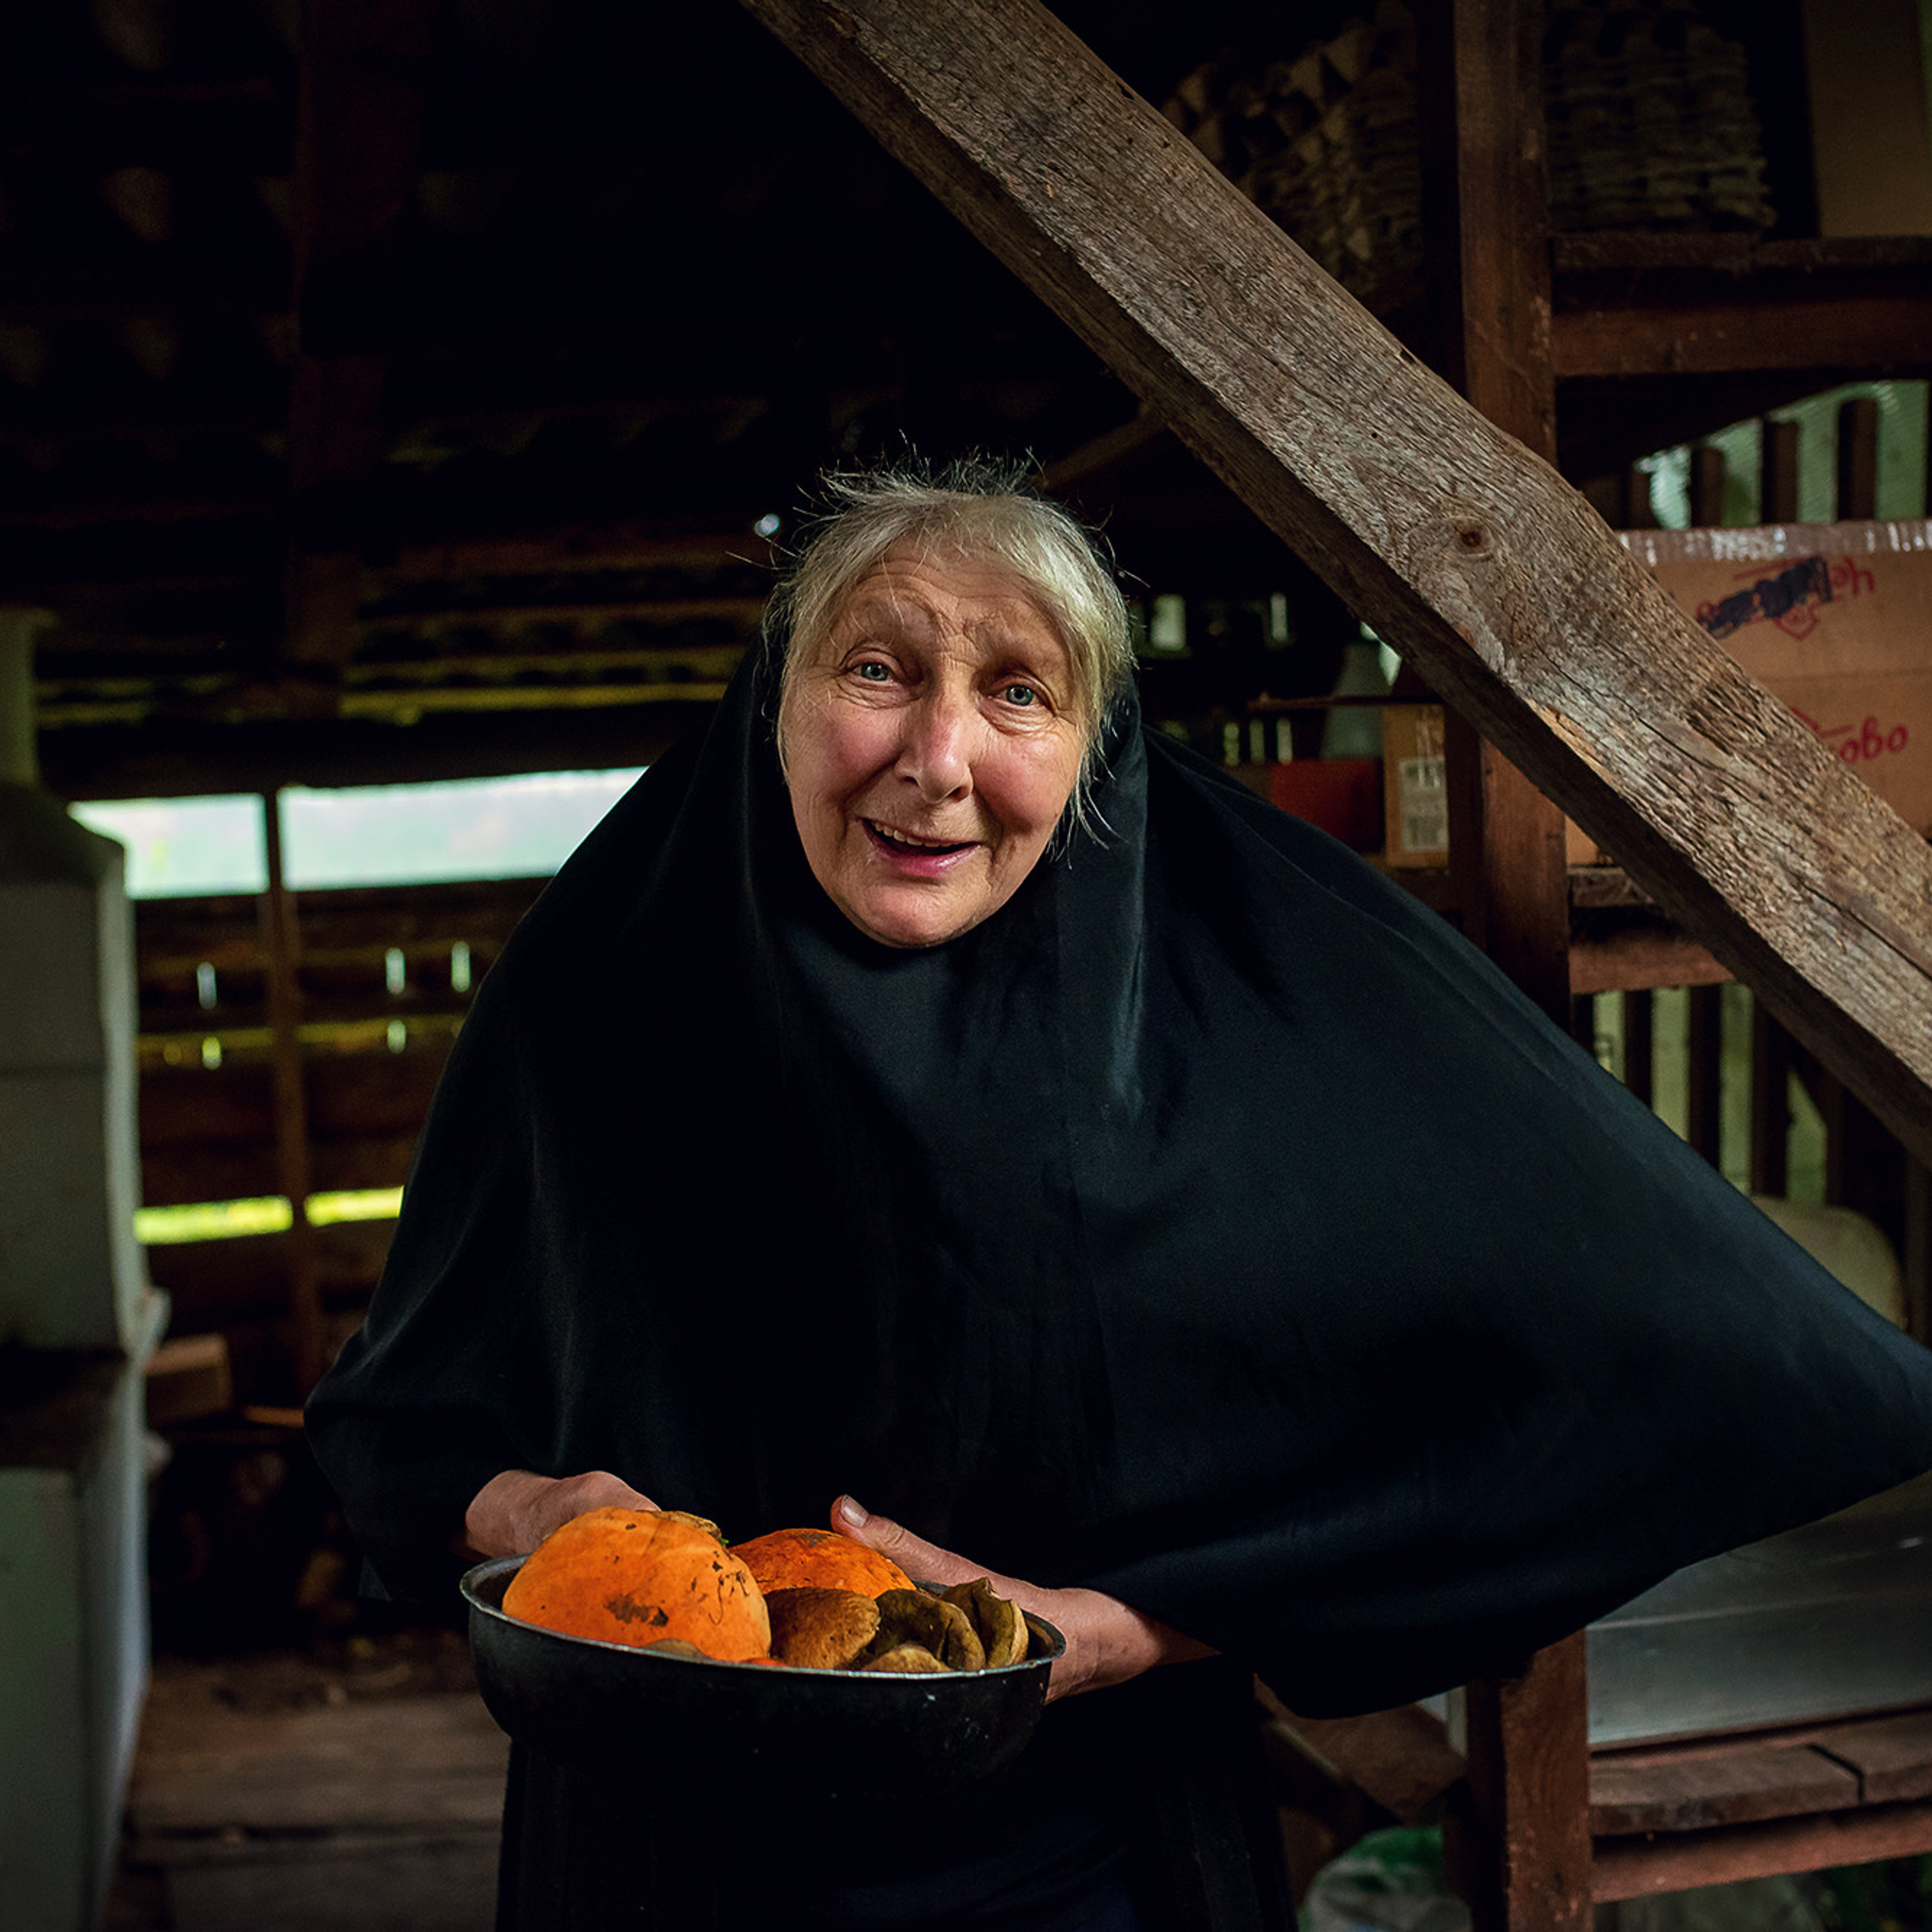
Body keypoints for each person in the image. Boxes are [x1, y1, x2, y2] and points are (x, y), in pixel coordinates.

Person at [307, 459, 1932, 1930]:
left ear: (1094, 749)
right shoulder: (598, 988)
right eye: (874, 669)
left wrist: (1130, 1626)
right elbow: (398, 1430)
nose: (936, 759)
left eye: (1017, 690)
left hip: (1088, 1855)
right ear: (775, 701)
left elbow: (1670, 1350)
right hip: (656, 1862)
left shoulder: (1235, 996)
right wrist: (528, 1515)